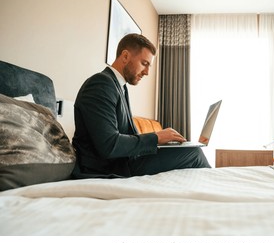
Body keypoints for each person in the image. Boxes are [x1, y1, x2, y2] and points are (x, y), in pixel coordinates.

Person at [72, 33, 210, 178]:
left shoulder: (119, 86)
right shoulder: (100, 84)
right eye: (144, 63)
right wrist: (156, 138)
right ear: (125, 56)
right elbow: (109, 145)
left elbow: (126, 136)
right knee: (194, 153)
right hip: (108, 167)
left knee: (191, 150)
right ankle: (215, 189)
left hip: (123, 161)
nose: (147, 72)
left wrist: (164, 142)